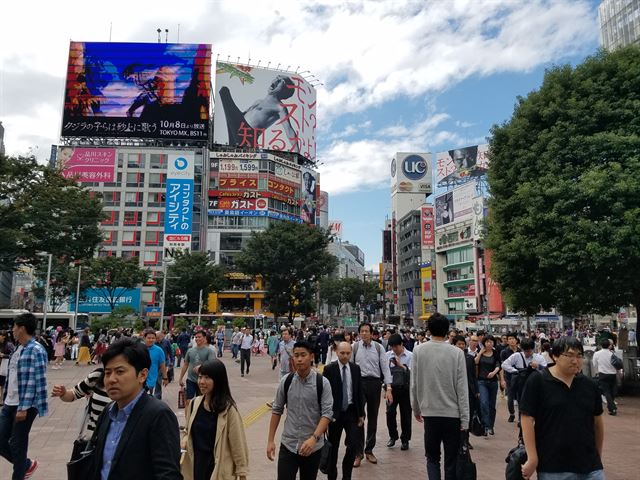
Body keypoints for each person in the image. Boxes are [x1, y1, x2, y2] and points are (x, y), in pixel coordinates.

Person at [91, 338, 181, 479]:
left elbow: (168, 474)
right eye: (108, 373)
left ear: (142, 375)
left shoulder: (158, 415)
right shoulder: (108, 411)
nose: (111, 379)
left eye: (120, 372)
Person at [520, 337, 604, 480]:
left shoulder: (589, 385)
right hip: (553, 467)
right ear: (555, 356)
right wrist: (532, 458)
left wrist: (597, 456)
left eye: (579, 356)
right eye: (569, 355)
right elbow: (527, 418)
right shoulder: (538, 381)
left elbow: (598, 423)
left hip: (590, 467)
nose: (575, 360)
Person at [411, 312, 469, 480]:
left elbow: (414, 384)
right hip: (453, 414)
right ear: (447, 331)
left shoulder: (418, 351)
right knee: (451, 460)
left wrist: (416, 408)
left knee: (432, 458)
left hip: (430, 413)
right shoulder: (456, 353)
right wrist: (464, 419)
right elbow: (462, 388)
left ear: (428, 329)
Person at [267, 340, 333, 480]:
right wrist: (270, 440)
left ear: (311, 356)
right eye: (296, 355)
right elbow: (277, 410)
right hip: (289, 445)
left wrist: (314, 438)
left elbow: (327, 414)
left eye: (303, 355)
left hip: (312, 447)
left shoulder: (322, 383)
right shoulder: (286, 381)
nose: (299, 359)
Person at [181, 359, 249, 480]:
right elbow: (187, 430)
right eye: (200, 377)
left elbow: (238, 445)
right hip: (196, 467)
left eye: (207, 378)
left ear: (218, 380)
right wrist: (185, 439)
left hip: (218, 469)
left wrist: (242, 474)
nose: (201, 382)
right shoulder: (194, 404)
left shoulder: (229, 410)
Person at [0, 313, 48, 479]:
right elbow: (12, 377)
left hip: (25, 405)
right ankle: (26, 465)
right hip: (9, 403)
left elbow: (36, 381)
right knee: (2, 440)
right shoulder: (17, 349)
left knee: (17, 444)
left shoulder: (36, 350)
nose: (12, 330)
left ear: (21, 328)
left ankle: (19, 474)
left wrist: (24, 407)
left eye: (14, 327)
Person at [218, 75, 300, 153]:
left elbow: (289, 130)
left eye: (279, 81)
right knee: (232, 154)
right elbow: (241, 115)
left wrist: (297, 151)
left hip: (248, 134)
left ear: (283, 89)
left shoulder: (280, 107)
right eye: (276, 78)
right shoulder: (259, 102)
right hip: (238, 129)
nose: (275, 81)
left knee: (224, 91)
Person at [351, 322, 393, 467]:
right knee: (359, 417)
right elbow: (350, 368)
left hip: (375, 384)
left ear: (371, 333)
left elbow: (385, 368)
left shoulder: (378, 347)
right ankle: (358, 453)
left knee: (373, 417)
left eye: (366, 331)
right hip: (359, 384)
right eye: (361, 331)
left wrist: (388, 387)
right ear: (359, 333)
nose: (364, 333)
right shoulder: (354, 347)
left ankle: (369, 450)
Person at [323, 342, 365, 480]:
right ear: (337, 353)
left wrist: (361, 414)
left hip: (352, 412)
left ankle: (347, 476)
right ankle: (332, 475)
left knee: (353, 445)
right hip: (335, 414)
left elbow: (359, 392)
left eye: (348, 353)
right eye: (342, 353)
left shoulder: (356, 369)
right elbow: (325, 394)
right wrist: (326, 415)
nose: (345, 356)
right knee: (332, 447)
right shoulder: (329, 369)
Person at [51, 367, 109, 432]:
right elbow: (73, 394)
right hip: (95, 439)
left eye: (120, 371)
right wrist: (63, 393)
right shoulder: (97, 375)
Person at [385, 333, 413, 450]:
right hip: (391, 389)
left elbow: (413, 373)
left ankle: (405, 440)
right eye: (392, 347)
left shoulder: (410, 356)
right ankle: (393, 436)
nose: (394, 349)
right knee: (390, 413)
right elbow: (385, 372)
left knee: (406, 415)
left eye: (396, 346)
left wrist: (401, 366)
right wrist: (387, 388)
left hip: (405, 389)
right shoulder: (387, 355)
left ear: (401, 344)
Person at [180, 330, 216, 409]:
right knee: (188, 401)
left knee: (202, 401)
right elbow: (186, 364)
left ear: (204, 338)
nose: (197, 339)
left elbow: (212, 364)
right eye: (196, 337)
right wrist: (181, 378)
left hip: (203, 381)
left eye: (199, 337)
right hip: (190, 380)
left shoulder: (209, 351)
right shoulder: (190, 350)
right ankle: (188, 418)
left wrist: (201, 366)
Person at [474, 334, 501, 436]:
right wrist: (480, 353)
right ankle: (485, 425)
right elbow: (475, 362)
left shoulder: (495, 353)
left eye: (491, 342)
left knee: (491, 405)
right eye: (487, 342)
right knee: (484, 403)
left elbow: (499, 365)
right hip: (481, 382)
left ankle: (490, 426)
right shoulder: (480, 352)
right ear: (483, 343)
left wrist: (494, 372)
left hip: (493, 382)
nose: (489, 343)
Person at [592, 339, 620, 416]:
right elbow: (617, 364)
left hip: (603, 374)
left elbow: (594, 364)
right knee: (612, 391)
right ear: (609, 345)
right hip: (612, 374)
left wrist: (597, 371)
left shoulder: (597, 354)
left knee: (606, 391)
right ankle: (612, 407)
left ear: (601, 345)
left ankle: (611, 407)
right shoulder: (612, 354)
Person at [499, 332, 520, 422]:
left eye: (513, 339)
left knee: (520, 397)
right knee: (510, 398)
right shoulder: (504, 352)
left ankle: (520, 417)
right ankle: (512, 414)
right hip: (509, 378)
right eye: (509, 339)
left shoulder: (521, 351)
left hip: (520, 377)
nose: (511, 340)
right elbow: (502, 367)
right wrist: (502, 380)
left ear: (516, 340)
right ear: (507, 341)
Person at [143, 329, 168, 399]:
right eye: (149, 338)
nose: (151, 340)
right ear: (144, 338)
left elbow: (162, 365)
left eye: (153, 338)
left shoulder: (159, 350)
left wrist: (165, 378)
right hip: (139, 381)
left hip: (152, 382)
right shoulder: (140, 349)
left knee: (151, 401)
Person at [0, 330, 16, 405]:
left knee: (3, 384)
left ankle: (2, 400)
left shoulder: (9, 344)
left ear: (4, 336)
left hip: (5, 367)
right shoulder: (1, 344)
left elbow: (14, 355)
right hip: (1, 366)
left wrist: (4, 356)